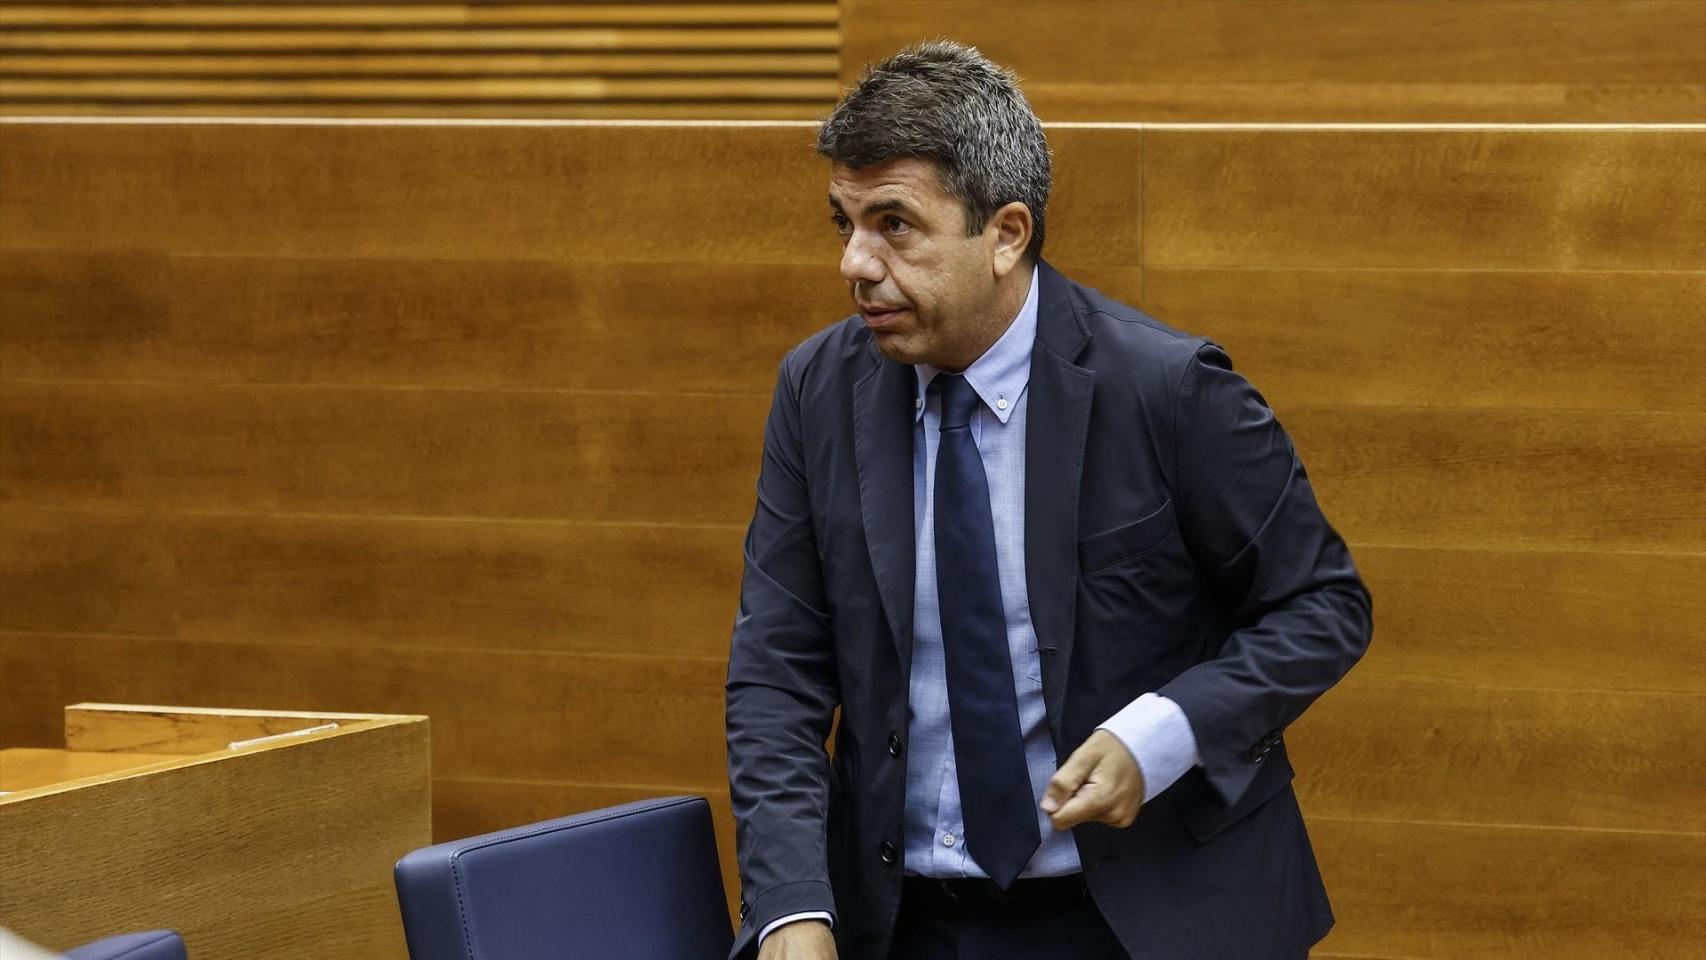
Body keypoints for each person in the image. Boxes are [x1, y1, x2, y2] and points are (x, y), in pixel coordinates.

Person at [725, 41, 1373, 960]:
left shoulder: (1167, 387)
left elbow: (1323, 605)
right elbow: (777, 672)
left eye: (895, 226)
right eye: (845, 223)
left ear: (1006, 233)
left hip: (1147, 915)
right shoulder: (818, 392)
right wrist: (792, 906)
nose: (856, 264)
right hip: (904, 919)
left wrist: (1167, 732)